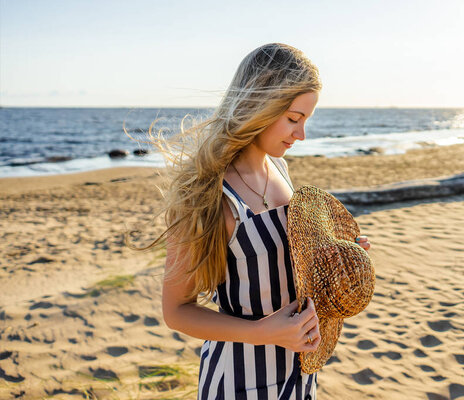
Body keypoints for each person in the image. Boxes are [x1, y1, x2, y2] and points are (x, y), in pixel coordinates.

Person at [131, 43, 371, 399]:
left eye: (306, 120)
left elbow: (292, 266)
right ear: (261, 105)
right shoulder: (210, 195)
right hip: (239, 382)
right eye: (293, 118)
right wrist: (266, 333)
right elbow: (177, 311)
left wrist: (337, 258)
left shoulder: (280, 169)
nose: (301, 134)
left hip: (300, 375)